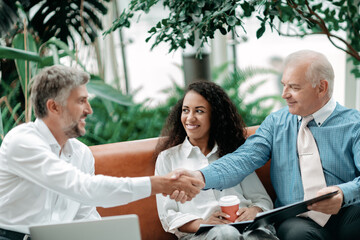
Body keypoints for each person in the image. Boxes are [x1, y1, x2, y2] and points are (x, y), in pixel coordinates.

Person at [0, 65, 203, 240]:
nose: (89, 109)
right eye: (81, 101)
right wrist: (160, 184)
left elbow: (85, 216)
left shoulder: (81, 154)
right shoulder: (22, 142)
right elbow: (83, 187)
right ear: (54, 107)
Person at [181, 50, 360, 240]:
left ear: (321, 88)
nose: (284, 94)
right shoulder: (276, 123)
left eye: (294, 87)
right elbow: (243, 159)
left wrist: (343, 194)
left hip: (348, 210)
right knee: (298, 236)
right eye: (284, 85)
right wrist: (200, 176)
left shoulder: (354, 124)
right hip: (298, 219)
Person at [155, 81, 278, 239]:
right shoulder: (168, 159)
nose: (190, 118)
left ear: (215, 116)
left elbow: (261, 199)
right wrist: (204, 223)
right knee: (226, 234)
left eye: (199, 111)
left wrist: (254, 211)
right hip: (202, 234)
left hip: (247, 229)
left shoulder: (234, 153)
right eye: (185, 110)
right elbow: (168, 215)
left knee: (258, 236)